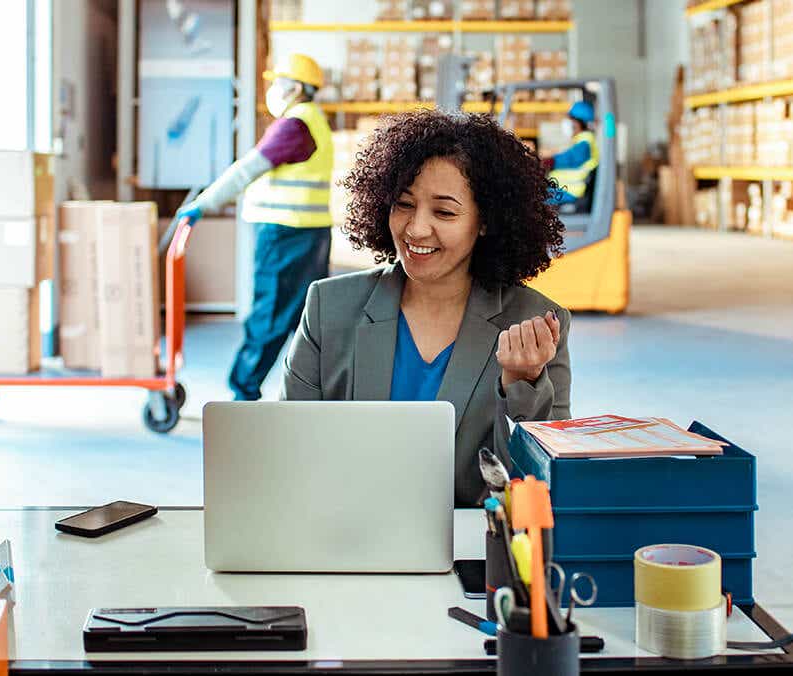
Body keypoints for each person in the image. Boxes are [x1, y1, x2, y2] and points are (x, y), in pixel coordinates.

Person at [279, 110, 571, 507]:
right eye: (403, 204)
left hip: (467, 550)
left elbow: (537, 485)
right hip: (342, 534)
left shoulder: (534, 324)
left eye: (445, 212)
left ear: (485, 221)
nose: (416, 229)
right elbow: (288, 451)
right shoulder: (328, 307)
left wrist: (520, 384)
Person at [176, 53, 333, 401]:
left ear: (294, 88)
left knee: (270, 315)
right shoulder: (314, 121)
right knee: (305, 319)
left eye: (278, 82)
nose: (273, 89)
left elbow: (246, 170)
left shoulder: (294, 126)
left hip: (285, 235)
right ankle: (324, 393)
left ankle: (243, 391)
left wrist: (203, 204)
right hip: (310, 231)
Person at [542, 100, 599, 207]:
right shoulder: (582, 140)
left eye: (571, 119)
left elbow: (569, 158)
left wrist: (549, 161)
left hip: (569, 191)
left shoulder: (584, 144)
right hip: (563, 189)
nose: (568, 123)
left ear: (580, 123)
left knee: (530, 201)